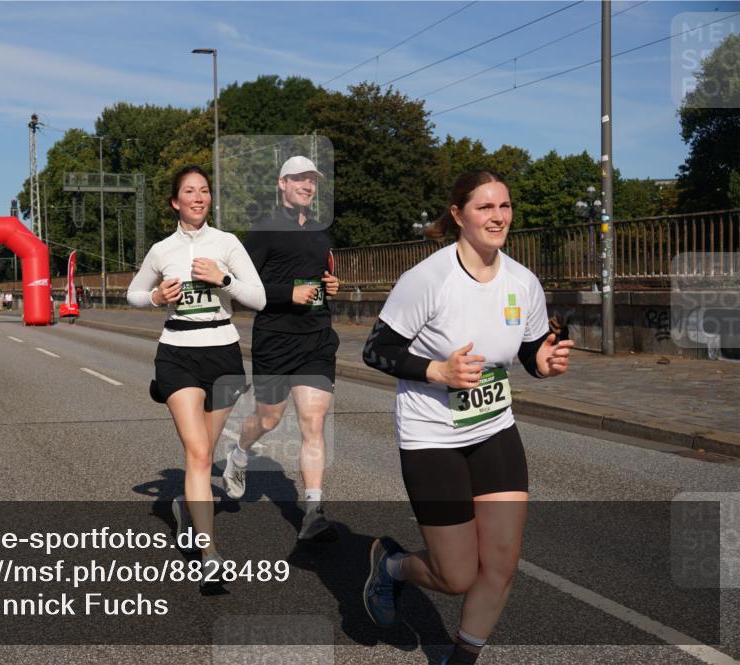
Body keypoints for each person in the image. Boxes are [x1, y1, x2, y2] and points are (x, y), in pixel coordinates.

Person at [360, 171, 574, 665]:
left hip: (494, 428)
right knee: (456, 576)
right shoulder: (428, 280)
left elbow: (526, 350)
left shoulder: (523, 282)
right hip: (431, 435)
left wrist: (541, 365)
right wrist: (437, 369)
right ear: (458, 214)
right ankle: (391, 567)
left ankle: (462, 659)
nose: (498, 217)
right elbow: (377, 350)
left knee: (500, 564)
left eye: (505, 206)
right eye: (485, 207)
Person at [127, 165, 265, 581]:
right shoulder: (162, 249)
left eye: (204, 190)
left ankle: (186, 509)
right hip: (177, 354)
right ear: (176, 201)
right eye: (190, 191)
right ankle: (210, 557)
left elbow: (258, 297)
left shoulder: (227, 243)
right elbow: (133, 293)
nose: (199, 197)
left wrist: (223, 278)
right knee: (200, 454)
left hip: (221, 353)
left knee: (202, 451)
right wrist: (154, 296)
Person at [222, 155, 341, 542]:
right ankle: (239, 452)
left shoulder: (322, 231)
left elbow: (322, 276)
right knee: (269, 419)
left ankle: (313, 510)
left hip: (318, 337)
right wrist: (287, 293)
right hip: (276, 338)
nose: (308, 186)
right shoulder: (264, 231)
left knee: (313, 422)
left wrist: (331, 286)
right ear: (282, 184)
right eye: (300, 180)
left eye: (312, 181)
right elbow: (241, 291)